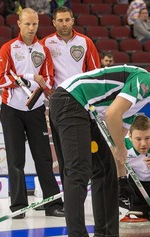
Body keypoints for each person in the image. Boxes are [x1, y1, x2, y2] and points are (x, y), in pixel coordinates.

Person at [49, 65, 150, 237]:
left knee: (105, 168)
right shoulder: (146, 81)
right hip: (71, 100)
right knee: (78, 171)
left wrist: (122, 175)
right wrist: (120, 148)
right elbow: (112, 116)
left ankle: (105, 236)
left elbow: (117, 146)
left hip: (86, 111)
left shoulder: (139, 102)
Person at [0, 8, 64, 219]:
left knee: (43, 158)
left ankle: (53, 204)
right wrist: (28, 77)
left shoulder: (42, 49)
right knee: (16, 160)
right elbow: (1, 79)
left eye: (34, 24)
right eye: (27, 24)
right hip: (12, 110)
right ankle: (18, 206)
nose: (31, 28)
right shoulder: (8, 48)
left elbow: (49, 78)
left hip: (35, 108)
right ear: (19, 23)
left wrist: (40, 83)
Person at [40, 6, 100, 192]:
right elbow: (40, 72)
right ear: (54, 23)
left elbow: (95, 73)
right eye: (60, 20)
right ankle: (70, 195)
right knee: (63, 151)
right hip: (58, 102)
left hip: (81, 102)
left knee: (83, 151)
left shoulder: (85, 42)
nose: (64, 24)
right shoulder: (45, 44)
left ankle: (84, 190)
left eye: (67, 20)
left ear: (73, 20)